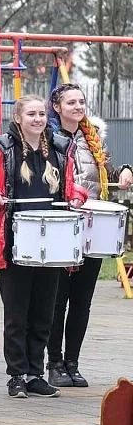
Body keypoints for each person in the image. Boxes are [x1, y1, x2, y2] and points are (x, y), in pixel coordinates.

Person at [0, 95, 86, 400]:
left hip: (52, 243)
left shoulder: (60, 148)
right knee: (17, 314)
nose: (38, 119)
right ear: (18, 117)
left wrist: (77, 197)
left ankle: (35, 374)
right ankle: (16, 375)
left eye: (41, 114)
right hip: (14, 242)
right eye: (31, 114)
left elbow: (72, 185)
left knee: (43, 314)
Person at [47, 84, 133, 388]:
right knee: (57, 300)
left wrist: (124, 170)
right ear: (57, 107)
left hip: (92, 227)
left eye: (81, 101)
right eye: (71, 102)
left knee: (82, 300)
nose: (78, 106)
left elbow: (107, 173)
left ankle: (73, 362)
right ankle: (54, 362)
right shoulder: (47, 137)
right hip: (60, 227)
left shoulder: (93, 137)